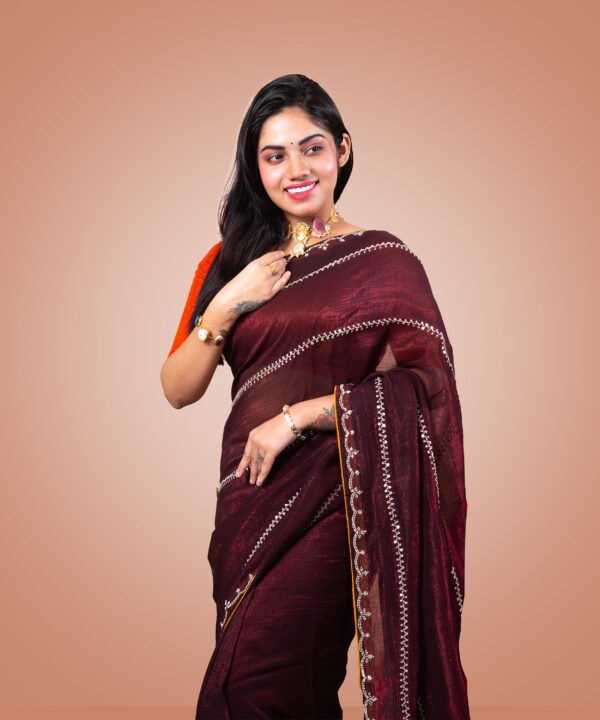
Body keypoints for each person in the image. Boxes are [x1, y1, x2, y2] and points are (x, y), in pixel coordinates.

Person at [160, 73, 471, 720]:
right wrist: (227, 303)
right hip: (250, 499)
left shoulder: (386, 263)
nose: (296, 169)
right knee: (263, 689)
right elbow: (178, 388)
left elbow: (427, 388)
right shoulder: (228, 262)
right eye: (274, 156)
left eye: (312, 148)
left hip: (338, 498)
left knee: (263, 684)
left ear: (343, 150)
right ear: (256, 168)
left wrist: (300, 417)